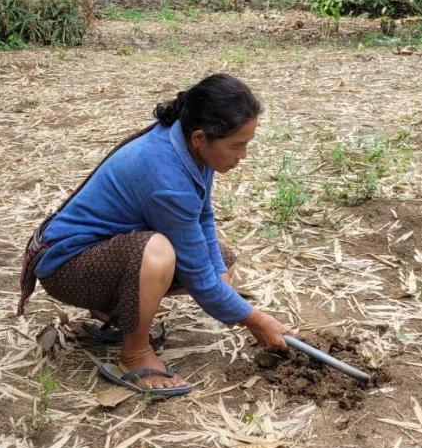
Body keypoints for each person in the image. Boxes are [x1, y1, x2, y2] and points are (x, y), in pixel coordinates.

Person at [17, 73, 295, 397]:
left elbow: (202, 215)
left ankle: (117, 311)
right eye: (236, 145)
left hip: (102, 253)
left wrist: (220, 277)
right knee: (157, 252)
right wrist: (255, 320)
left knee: (223, 260)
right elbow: (198, 277)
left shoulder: (186, 146)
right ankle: (133, 355)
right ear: (200, 137)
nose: (242, 155)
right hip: (67, 267)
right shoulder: (167, 177)